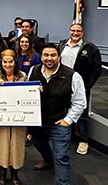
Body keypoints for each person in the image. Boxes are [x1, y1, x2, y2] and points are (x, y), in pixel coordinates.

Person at [28, 44, 86, 185]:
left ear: (59, 57)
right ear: (41, 57)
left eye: (53, 55)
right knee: (38, 143)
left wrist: (68, 120)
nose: (49, 58)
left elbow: (80, 102)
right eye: (46, 55)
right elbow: (26, 93)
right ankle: (48, 161)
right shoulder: (33, 71)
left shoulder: (72, 76)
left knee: (61, 156)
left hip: (59, 121)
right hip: (38, 121)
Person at [58, 23, 102, 155]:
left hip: (81, 87)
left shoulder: (90, 48)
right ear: (69, 31)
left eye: (78, 31)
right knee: (62, 111)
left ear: (82, 33)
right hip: (62, 85)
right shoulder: (62, 45)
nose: (75, 33)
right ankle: (63, 136)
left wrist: (88, 85)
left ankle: (83, 140)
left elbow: (97, 68)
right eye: (73, 30)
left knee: (82, 114)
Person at [0, 49, 27, 185]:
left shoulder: (22, 76)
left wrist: (37, 90)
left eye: (10, 62)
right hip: (1, 117)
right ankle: (2, 174)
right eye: (5, 62)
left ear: (15, 62)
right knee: (2, 145)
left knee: (17, 146)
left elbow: (27, 93)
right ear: (1, 62)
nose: (8, 64)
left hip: (18, 116)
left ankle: (15, 174)